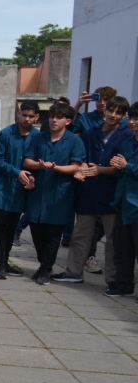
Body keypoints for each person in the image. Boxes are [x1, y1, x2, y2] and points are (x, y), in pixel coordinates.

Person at [52, 95, 134, 286]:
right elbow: (82, 157)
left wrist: (100, 170)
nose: (113, 115)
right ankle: (73, 271)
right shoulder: (91, 132)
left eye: (118, 113)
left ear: (123, 116)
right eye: (111, 110)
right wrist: (80, 170)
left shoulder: (127, 135)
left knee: (113, 242)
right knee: (80, 236)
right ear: (104, 110)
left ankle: (114, 279)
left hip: (111, 195)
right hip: (88, 192)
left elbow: (123, 167)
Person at [21, 101, 86, 285]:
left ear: (68, 121)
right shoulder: (38, 138)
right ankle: (44, 265)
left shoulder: (74, 141)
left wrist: (55, 167)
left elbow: (75, 166)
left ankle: (45, 269)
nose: (54, 121)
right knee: (36, 232)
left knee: (53, 235)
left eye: (59, 118)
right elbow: (27, 162)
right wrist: (40, 166)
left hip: (60, 195)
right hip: (37, 194)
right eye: (52, 117)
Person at [0, 102, 40, 279]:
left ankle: (5, 262)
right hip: (2, 190)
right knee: (0, 227)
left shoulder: (38, 136)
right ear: (18, 114)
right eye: (24, 115)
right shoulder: (6, 133)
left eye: (30, 116)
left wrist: (31, 176)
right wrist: (16, 172)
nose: (26, 119)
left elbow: (38, 161)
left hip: (20, 192)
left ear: (36, 117)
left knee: (12, 228)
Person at [108, 103, 138, 298]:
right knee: (122, 247)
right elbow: (121, 172)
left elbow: (130, 167)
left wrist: (127, 166)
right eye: (131, 118)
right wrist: (118, 167)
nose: (132, 122)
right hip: (124, 202)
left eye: (136, 119)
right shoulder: (127, 141)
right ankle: (123, 283)